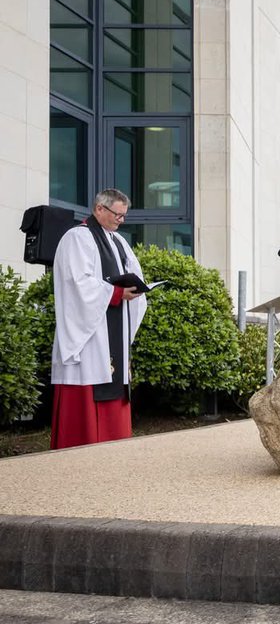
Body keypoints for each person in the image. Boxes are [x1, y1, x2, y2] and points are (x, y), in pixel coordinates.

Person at [49, 189, 147, 450]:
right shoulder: (77, 238)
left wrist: (137, 291)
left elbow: (134, 272)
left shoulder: (118, 241)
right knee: (91, 382)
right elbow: (77, 284)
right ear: (99, 209)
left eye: (124, 216)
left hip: (112, 328)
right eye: (117, 214)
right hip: (91, 338)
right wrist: (115, 293)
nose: (121, 221)